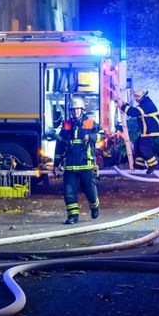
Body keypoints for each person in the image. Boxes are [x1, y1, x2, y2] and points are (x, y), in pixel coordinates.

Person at [57, 96, 101, 224]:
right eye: (73, 109)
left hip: (85, 164)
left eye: (78, 109)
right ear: (71, 111)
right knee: (69, 192)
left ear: (82, 110)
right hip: (70, 165)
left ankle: (94, 206)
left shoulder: (90, 123)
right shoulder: (66, 125)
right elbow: (59, 145)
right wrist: (56, 163)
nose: (75, 111)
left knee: (90, 191)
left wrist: (92, 136)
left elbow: (103, 134)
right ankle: (73, 216)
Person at [118, 89, 159, 173]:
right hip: (147, 131)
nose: (136, 100)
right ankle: (139, 164)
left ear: (139, 98)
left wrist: (122, 107)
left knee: (144, 147)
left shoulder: (146, 104)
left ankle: (153, 164)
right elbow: (136, 111)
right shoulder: (144, 103)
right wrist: (126, 105)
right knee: (137, 145)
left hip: (151, 131)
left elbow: (134, 112)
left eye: (136, 99)